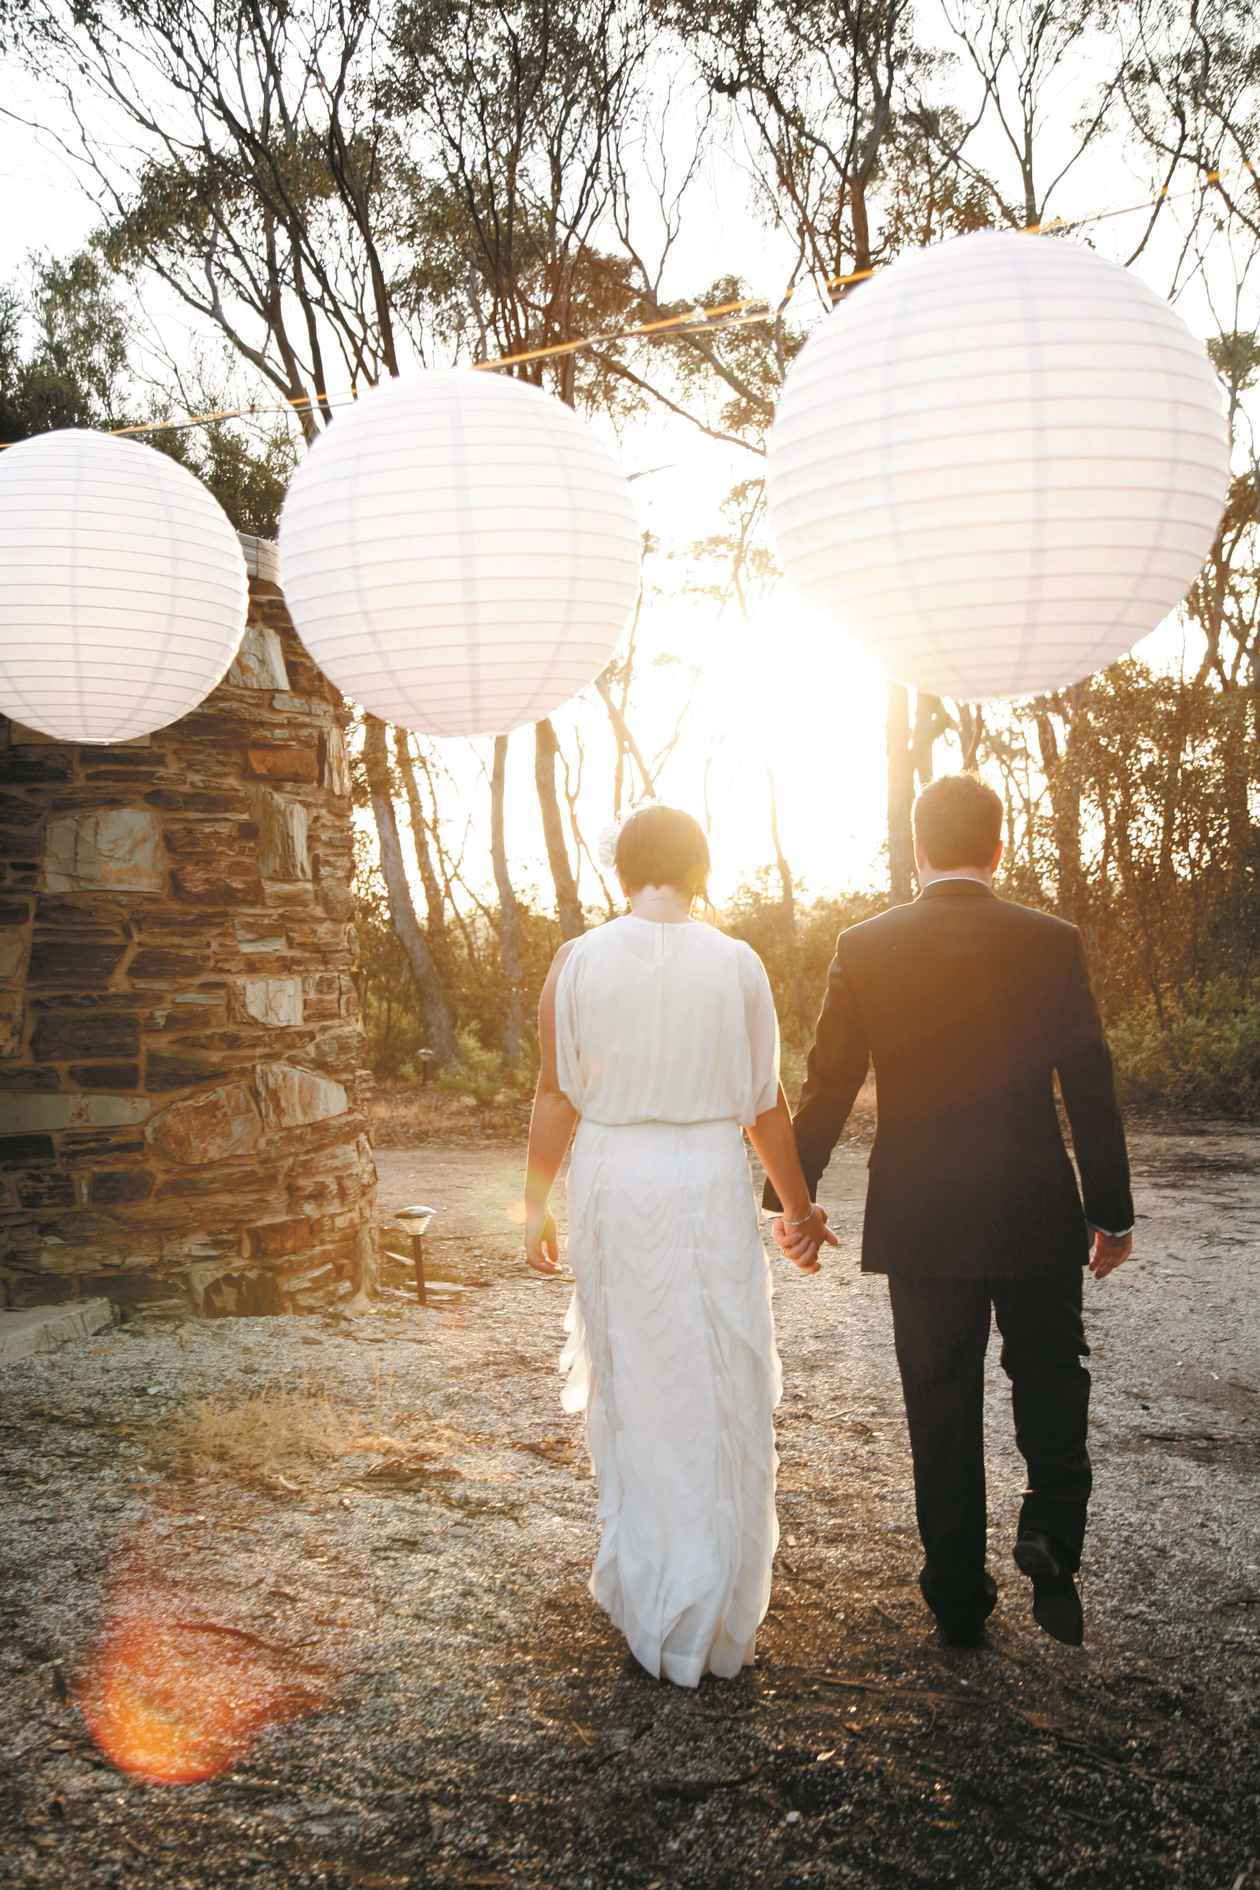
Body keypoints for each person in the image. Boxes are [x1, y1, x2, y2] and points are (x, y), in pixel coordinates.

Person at [770, 773, 1133, 1649]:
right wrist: (1110, 1212)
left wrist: (793, 1201)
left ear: (920, 849)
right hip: (1033, 1206)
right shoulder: (1049, 941)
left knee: (940, 1400)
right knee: (1051, 1371)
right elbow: (1089, 1079)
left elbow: (827, 1086)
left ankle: (959, 1600)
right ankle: (1050, 1526)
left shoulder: (867, 944)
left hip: (922, 1214)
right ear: (998, 848)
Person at [523, 804, 834, 1686]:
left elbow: (555, 1093)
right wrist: (798, 1209)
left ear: (623, 870)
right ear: (700, 867)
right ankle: (713, 1607)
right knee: (715, 1378)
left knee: (637, 1382)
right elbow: (764, 1103)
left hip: (616, 1179)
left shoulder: (577, 962)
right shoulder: (736, 964)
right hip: (703, 1179)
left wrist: (533, 1203)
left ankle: (652, 1594)